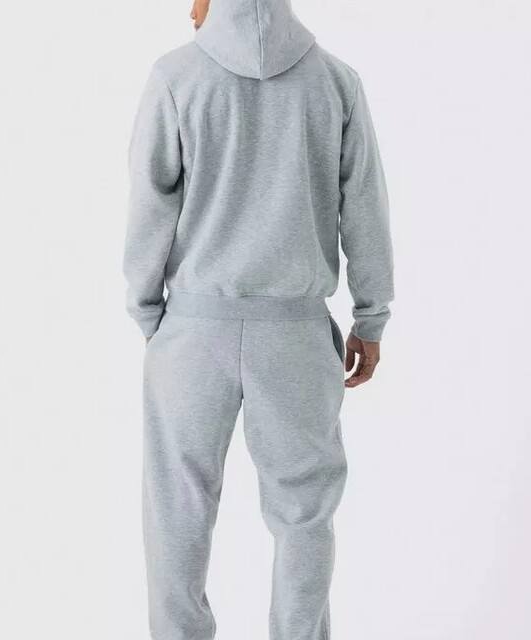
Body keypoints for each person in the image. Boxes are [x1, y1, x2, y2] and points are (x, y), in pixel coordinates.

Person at [123, 0, 393, 637]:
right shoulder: (335, 82)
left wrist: (149, 311)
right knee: (304, 515)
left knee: (178, 511)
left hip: (192, 331)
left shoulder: (175, 77)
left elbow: (149, 202)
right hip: (296, 334)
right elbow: (364, 206)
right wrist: (370, 316)